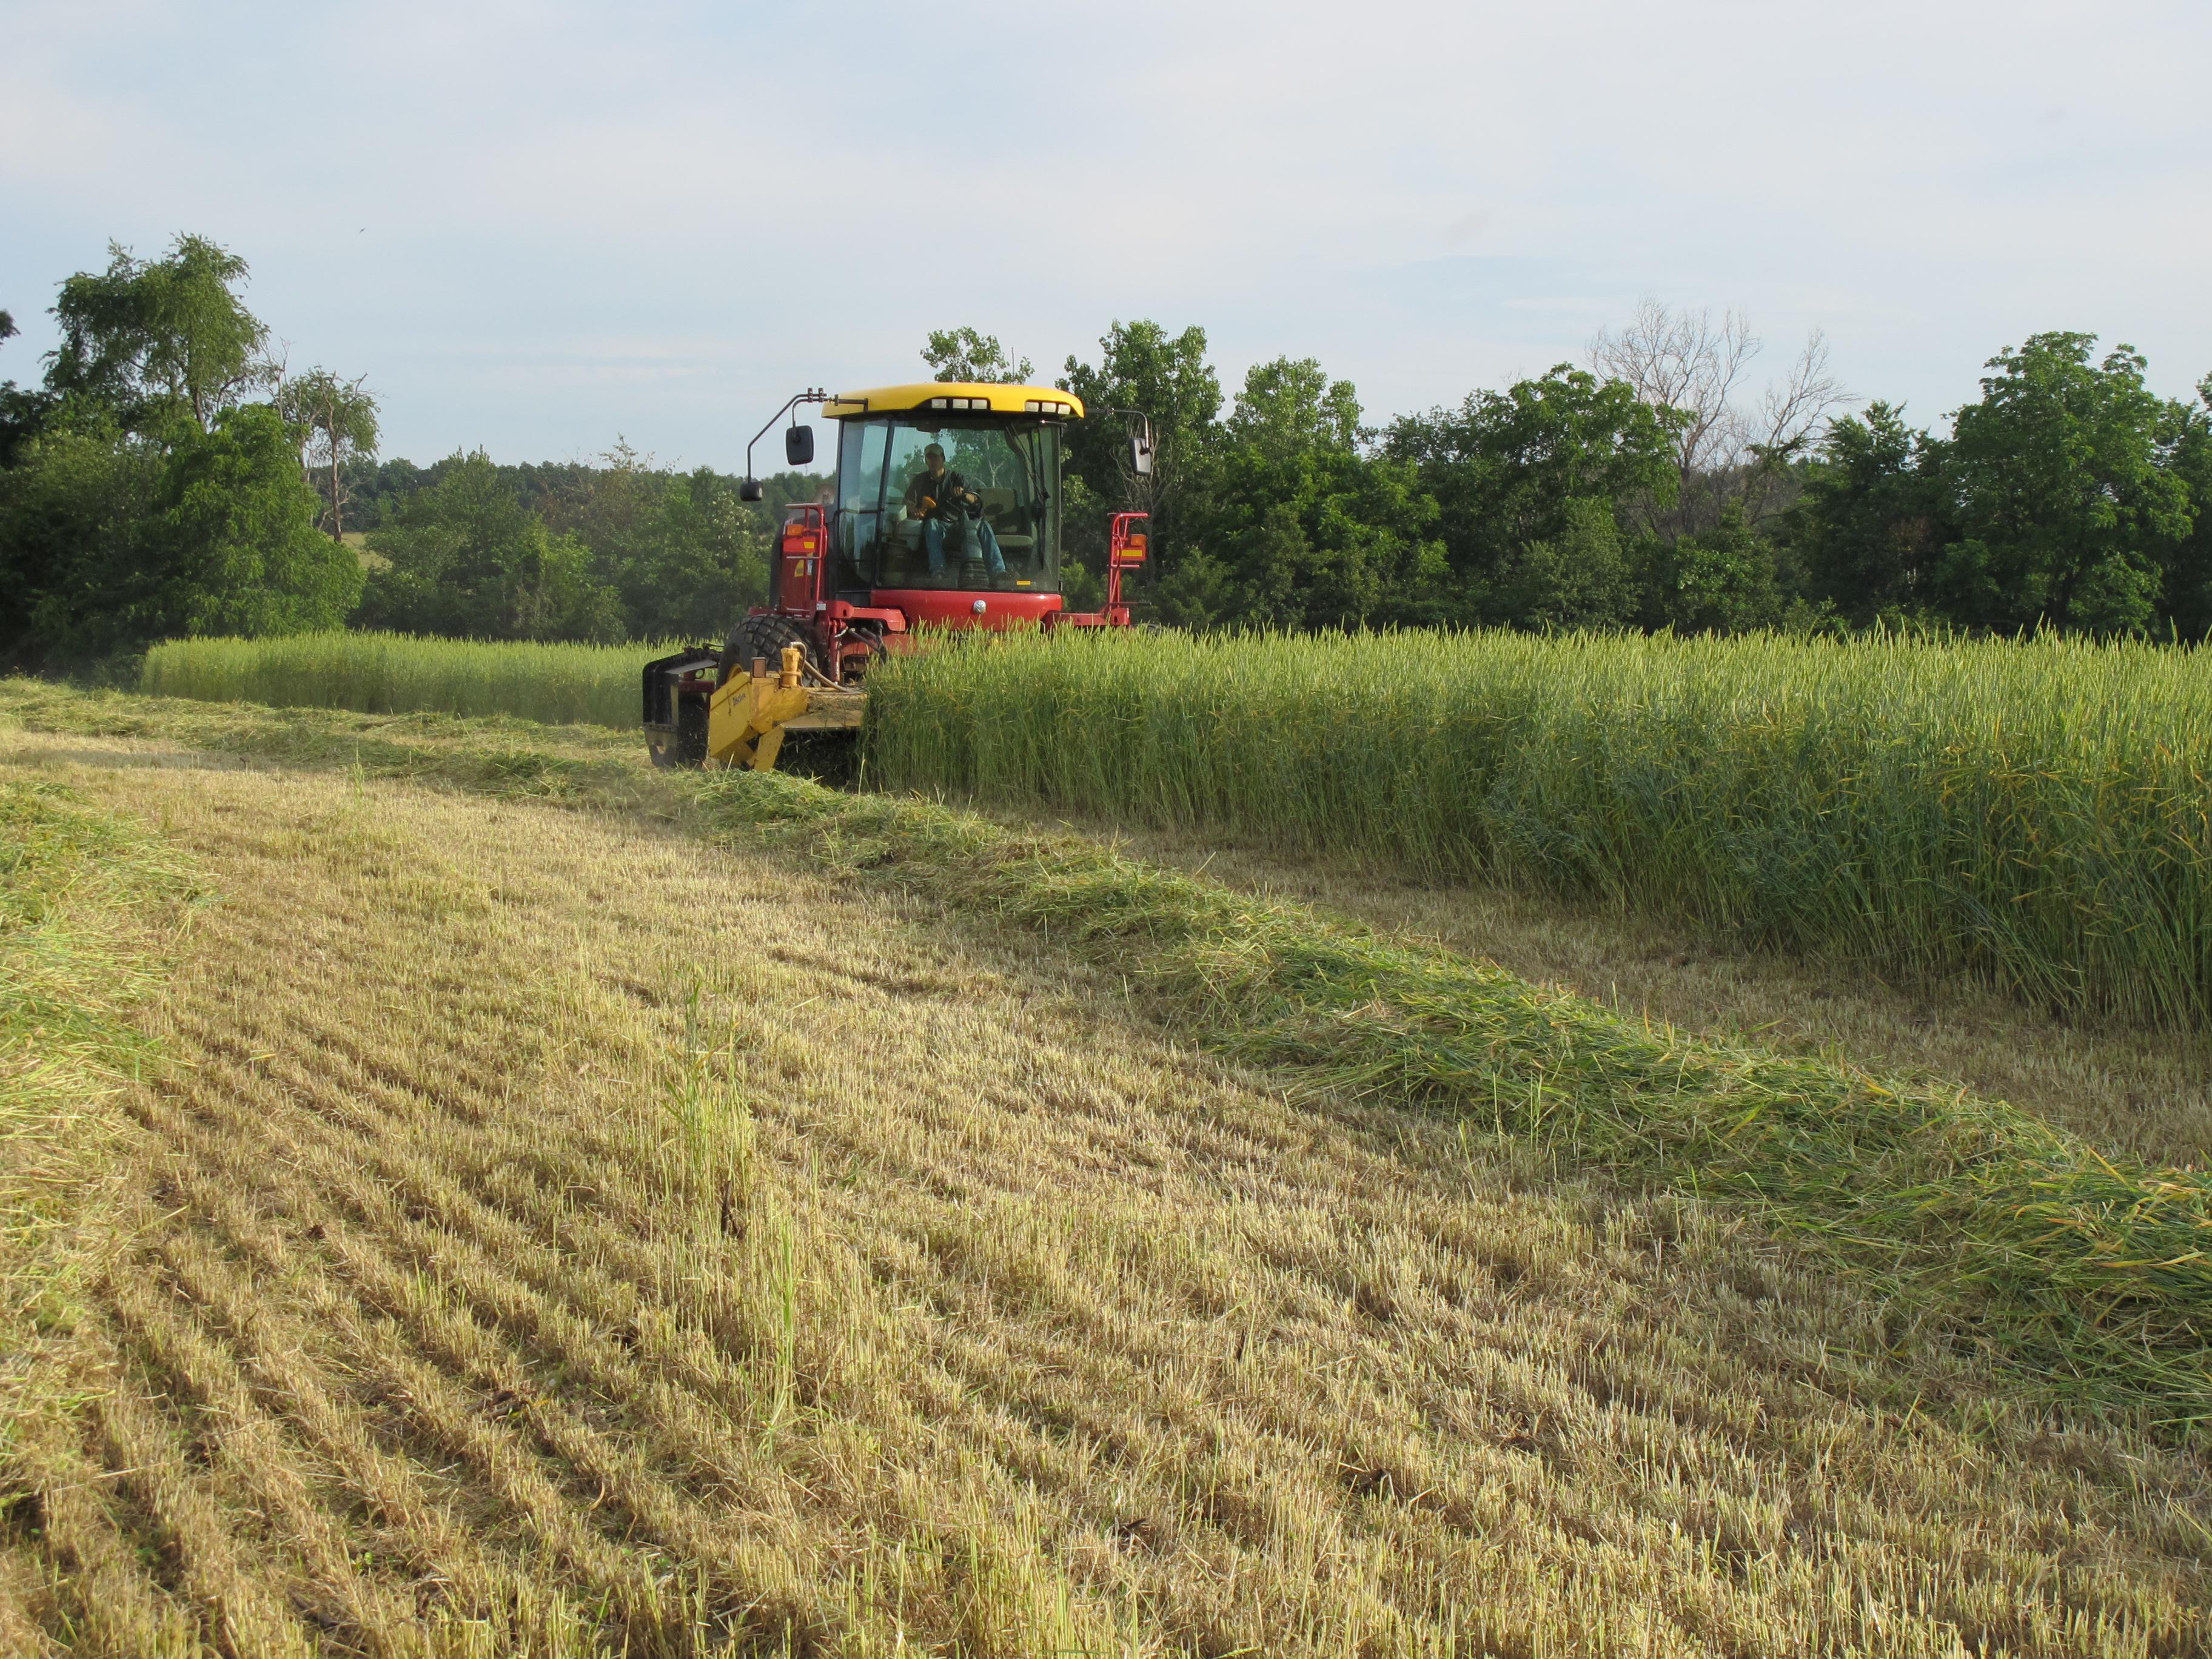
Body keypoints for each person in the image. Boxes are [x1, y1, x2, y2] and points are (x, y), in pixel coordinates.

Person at [903, 443, 1005, 577]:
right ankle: (938, 571)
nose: (933, 461)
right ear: (926, 460)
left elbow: (975, 501)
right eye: (930, 458)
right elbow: (907, 503)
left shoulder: (957, 478)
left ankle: (999, 572)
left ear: (943, 459)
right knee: (931, 524)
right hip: (939, 526)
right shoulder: (920, 480)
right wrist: (914, 510)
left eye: (936, 457)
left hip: (961, 523)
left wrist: (964, 495)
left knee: (984, 526)